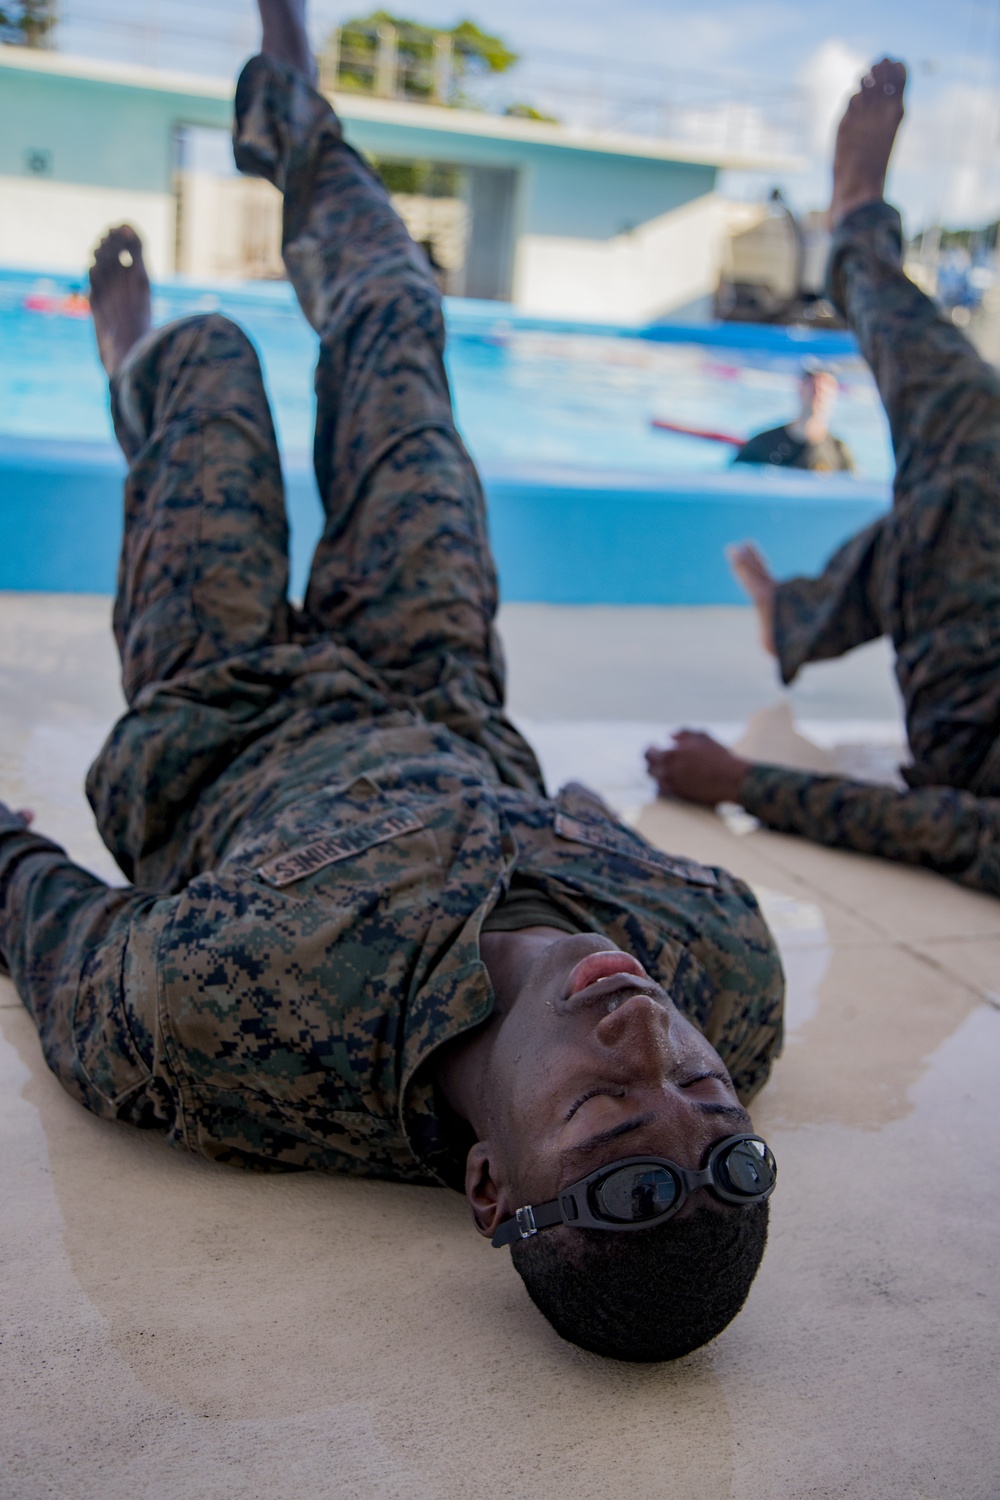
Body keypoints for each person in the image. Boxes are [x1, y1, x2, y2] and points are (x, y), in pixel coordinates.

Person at [0, 0, 783, 1363]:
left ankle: (133, 362)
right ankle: (296, 131)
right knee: (403, 331)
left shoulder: (242, 1015)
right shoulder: (733, 973)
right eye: (701, 1085)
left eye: (605, 1109)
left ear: (489, 1183)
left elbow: (80, 972)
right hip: (439, 684)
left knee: (215, 372)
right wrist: (595, 817)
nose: (645, 1036)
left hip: (223, 704)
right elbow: (629, 859)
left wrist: (5, 858)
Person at [647, 58, 1000, 900]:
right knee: (959, 488)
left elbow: (955, 828)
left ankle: (855, 231)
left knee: (970, 458)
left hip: (980, 730)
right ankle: (796, 616)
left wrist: (740, 781)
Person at [732, 359, 853, 473]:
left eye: (824, 386)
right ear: (800, 388)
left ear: (834, 394)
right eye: (813, 385)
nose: (818, 391)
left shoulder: (839, 454)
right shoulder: (761, 445)